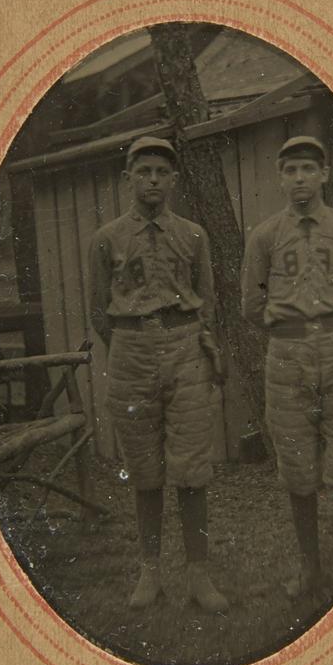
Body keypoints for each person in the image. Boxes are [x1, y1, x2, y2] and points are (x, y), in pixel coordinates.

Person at [89, 135, 228, 613]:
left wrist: (186, 339)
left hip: (185, 347)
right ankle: (149, 571)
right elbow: (97, 310)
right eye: (142, 172)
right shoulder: (107, 238)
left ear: (172, 180)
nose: (152, 180)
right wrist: (133, 342)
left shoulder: (192, 235)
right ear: (128, 179)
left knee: (191, 466)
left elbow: (206, 297)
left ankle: (198, 574)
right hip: (130, 351)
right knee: (145, 468)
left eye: (160, 173)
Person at [241, 135, 333, 600]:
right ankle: (309, 570)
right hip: (288, 356)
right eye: (290, 170)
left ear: (323, 175)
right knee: (297, 465)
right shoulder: (264, 236)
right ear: (280, 179)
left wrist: (332, 327)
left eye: (307, 169)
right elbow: (250, 304)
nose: (299, 179)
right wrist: (292, 328)